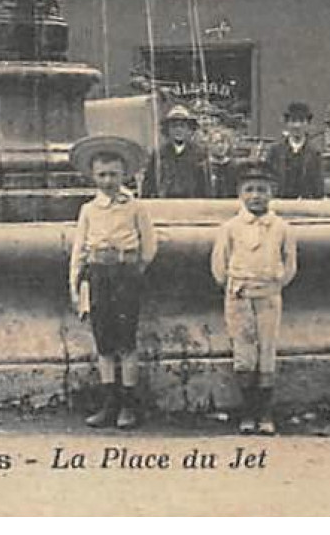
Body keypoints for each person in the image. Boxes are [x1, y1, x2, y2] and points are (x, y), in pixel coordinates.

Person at [68, 134, 158, 430]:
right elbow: (79, 249)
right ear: (93, 177)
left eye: (114, 174)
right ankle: (109, 403)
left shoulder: (135, 207)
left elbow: (149, 245)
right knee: (103, 340)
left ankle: (129, 405)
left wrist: (133, 269)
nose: (108, 180)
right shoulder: (89, 210)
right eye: (102, 175)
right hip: (98, 274)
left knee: (126, 340)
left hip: (125, 275)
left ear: (125, 175)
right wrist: (76, 284)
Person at [211, 167, 297, 435]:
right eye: (249, 190)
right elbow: (219, 265)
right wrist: (236, 286)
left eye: (262, 190)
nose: (256, 196)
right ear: (240, 195)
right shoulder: (231, 228)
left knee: (267, 351)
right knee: (245, 353)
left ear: (272, 193)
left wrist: (273, 283)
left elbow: (290, 264)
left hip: (269, 295)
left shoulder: (281, 228)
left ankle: (265, 412)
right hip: (239, 295)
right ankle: (247, 411)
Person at [143, 105, 216, 199]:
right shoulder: (159, 155)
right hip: (165, 204)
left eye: (182, 126)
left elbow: (206, 184)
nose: (178, 130)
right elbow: (149, 183)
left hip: (193, 204)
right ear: (167, 130)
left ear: (189, 130)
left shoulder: (200, 154)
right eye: (174, 126)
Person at [264, 102, 325, 200]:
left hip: (305, 206)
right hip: (278, 204)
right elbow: (267, 182)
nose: (297, 126)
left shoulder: (315, 153)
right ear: (287, 123)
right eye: (293, 121)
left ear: (308, 124)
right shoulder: (275, 151)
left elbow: (318, 188)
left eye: (301, 121)